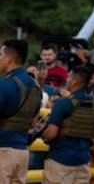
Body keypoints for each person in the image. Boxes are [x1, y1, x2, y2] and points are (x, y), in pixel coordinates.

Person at [42, 66, 94, 184]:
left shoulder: (63, 103)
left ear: (75, 81)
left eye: (69, 77)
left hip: (60, 160)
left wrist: (42, 135)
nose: (67, 80)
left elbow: (51, 134)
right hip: (83, 162)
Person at [0, 39, 42, 184]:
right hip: (22, 153)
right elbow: (33, 122)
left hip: (3, 152)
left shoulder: (5, 84)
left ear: (9, 58)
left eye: (0, 55)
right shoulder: (36, 87)